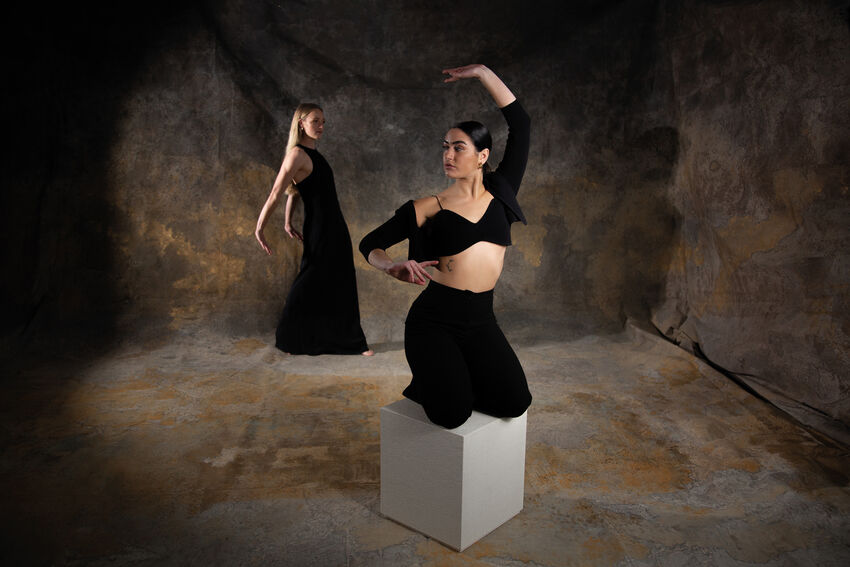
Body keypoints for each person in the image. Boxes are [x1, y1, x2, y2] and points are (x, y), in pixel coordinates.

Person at [359, 64, 532, 428]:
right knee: (452, 415)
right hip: (435, 321)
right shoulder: (427, 207)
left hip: (482, 319)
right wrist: (388, 265)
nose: (448, 156)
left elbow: (522, 124)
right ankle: (439, 381)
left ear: (482, 156)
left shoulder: (502, 192)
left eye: (458, 148)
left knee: (515, 402)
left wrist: (483, 73)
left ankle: (454, 377)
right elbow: (370, 244)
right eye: (445, 148)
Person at [256, 103, 373, 356]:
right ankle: (290, 337)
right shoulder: (296, 154)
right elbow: (277, 191)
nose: (320, 126)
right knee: (310, 278)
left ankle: (352, 341)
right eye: (315, 121)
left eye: (323, 122)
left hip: (335, 225)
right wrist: (260, 227)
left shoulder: (314, 155)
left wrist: (288, 222)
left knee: (341, 280)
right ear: (301, 123)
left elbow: (296, 190)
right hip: (321, 227)